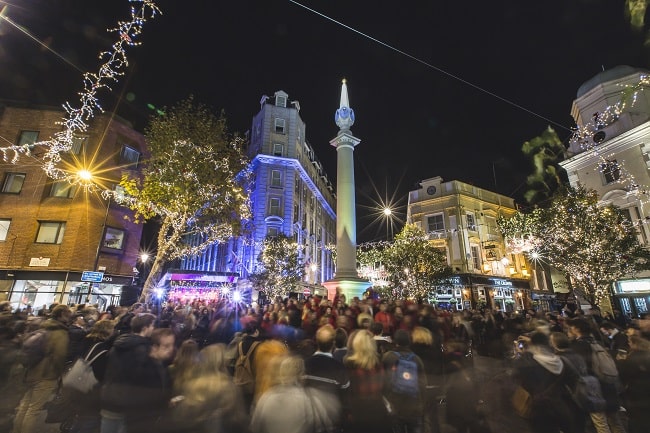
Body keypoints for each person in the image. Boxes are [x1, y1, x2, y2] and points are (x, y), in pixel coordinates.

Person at [12, 304, 71, 433]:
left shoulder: (43, 326)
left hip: (32, 370)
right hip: (46, 374)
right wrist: (59, 373)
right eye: (68, 313)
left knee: (25, 405)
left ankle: (16, 430)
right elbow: (60, 355)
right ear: (62, 315)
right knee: (34, 409)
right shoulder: (60, 332)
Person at [168, 343, 248, 433]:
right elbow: (239, 421)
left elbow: (182, 420)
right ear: (222, 362)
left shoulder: (191, 386)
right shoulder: (230, 389)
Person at [512, 331, 582, 433]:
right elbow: (575, 379)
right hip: (560, 406)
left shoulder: (528, 361)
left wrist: (523, 353)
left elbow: (515, 377)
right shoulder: (561, 360)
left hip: (537, 409)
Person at [251, 354, 340, 433]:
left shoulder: (265, 398)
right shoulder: (309, 399)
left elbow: (255, 427)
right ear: (301, 375)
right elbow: (327, 422)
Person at [567, 318, 627, 433]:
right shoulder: (598, 342)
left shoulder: (578, 347)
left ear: (576, 329)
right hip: (608, 383)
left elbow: (579, 368)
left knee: (600, 422)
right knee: (615, 420)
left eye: (571, 328)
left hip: (593, 387)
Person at [100, 312, 157, 433]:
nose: (154, 328)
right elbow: (140, 377)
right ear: (145, 328)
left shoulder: (118, 343)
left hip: (110, 396)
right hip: (128, 402)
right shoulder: (143, 349)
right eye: (152, 325)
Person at [69, 319, 116, 433]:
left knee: (80, 418)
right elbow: (100, 373)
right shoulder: (102, 347)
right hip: (91, 388)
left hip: (78, 384)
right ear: (108, 331)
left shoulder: (86, 339)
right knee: (89, 420)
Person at [343, 330, 392, 433]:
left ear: (356, 344)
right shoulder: (379, 364)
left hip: (357, 415)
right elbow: (385, 388)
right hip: (378, 414)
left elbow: (346, 393)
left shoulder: (349, 366)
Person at [303, 324, 348, 429]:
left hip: (308, 421)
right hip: (332, 422)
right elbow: (345, 397)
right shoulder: (339, 368)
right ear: (333, 343)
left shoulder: (304, 364)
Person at [382, 329, 427, 433]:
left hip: (395, 405)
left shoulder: (388, 357)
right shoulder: (417, 359)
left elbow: (383, 381)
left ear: (395, 342)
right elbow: (423, 384)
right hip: (414, 407)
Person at [616, 334, 650, 433]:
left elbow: (623, 376)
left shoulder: (631, 359)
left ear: (635, 344)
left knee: (637, 421)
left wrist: (620, 363)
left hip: (635, 395)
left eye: (630, 342)